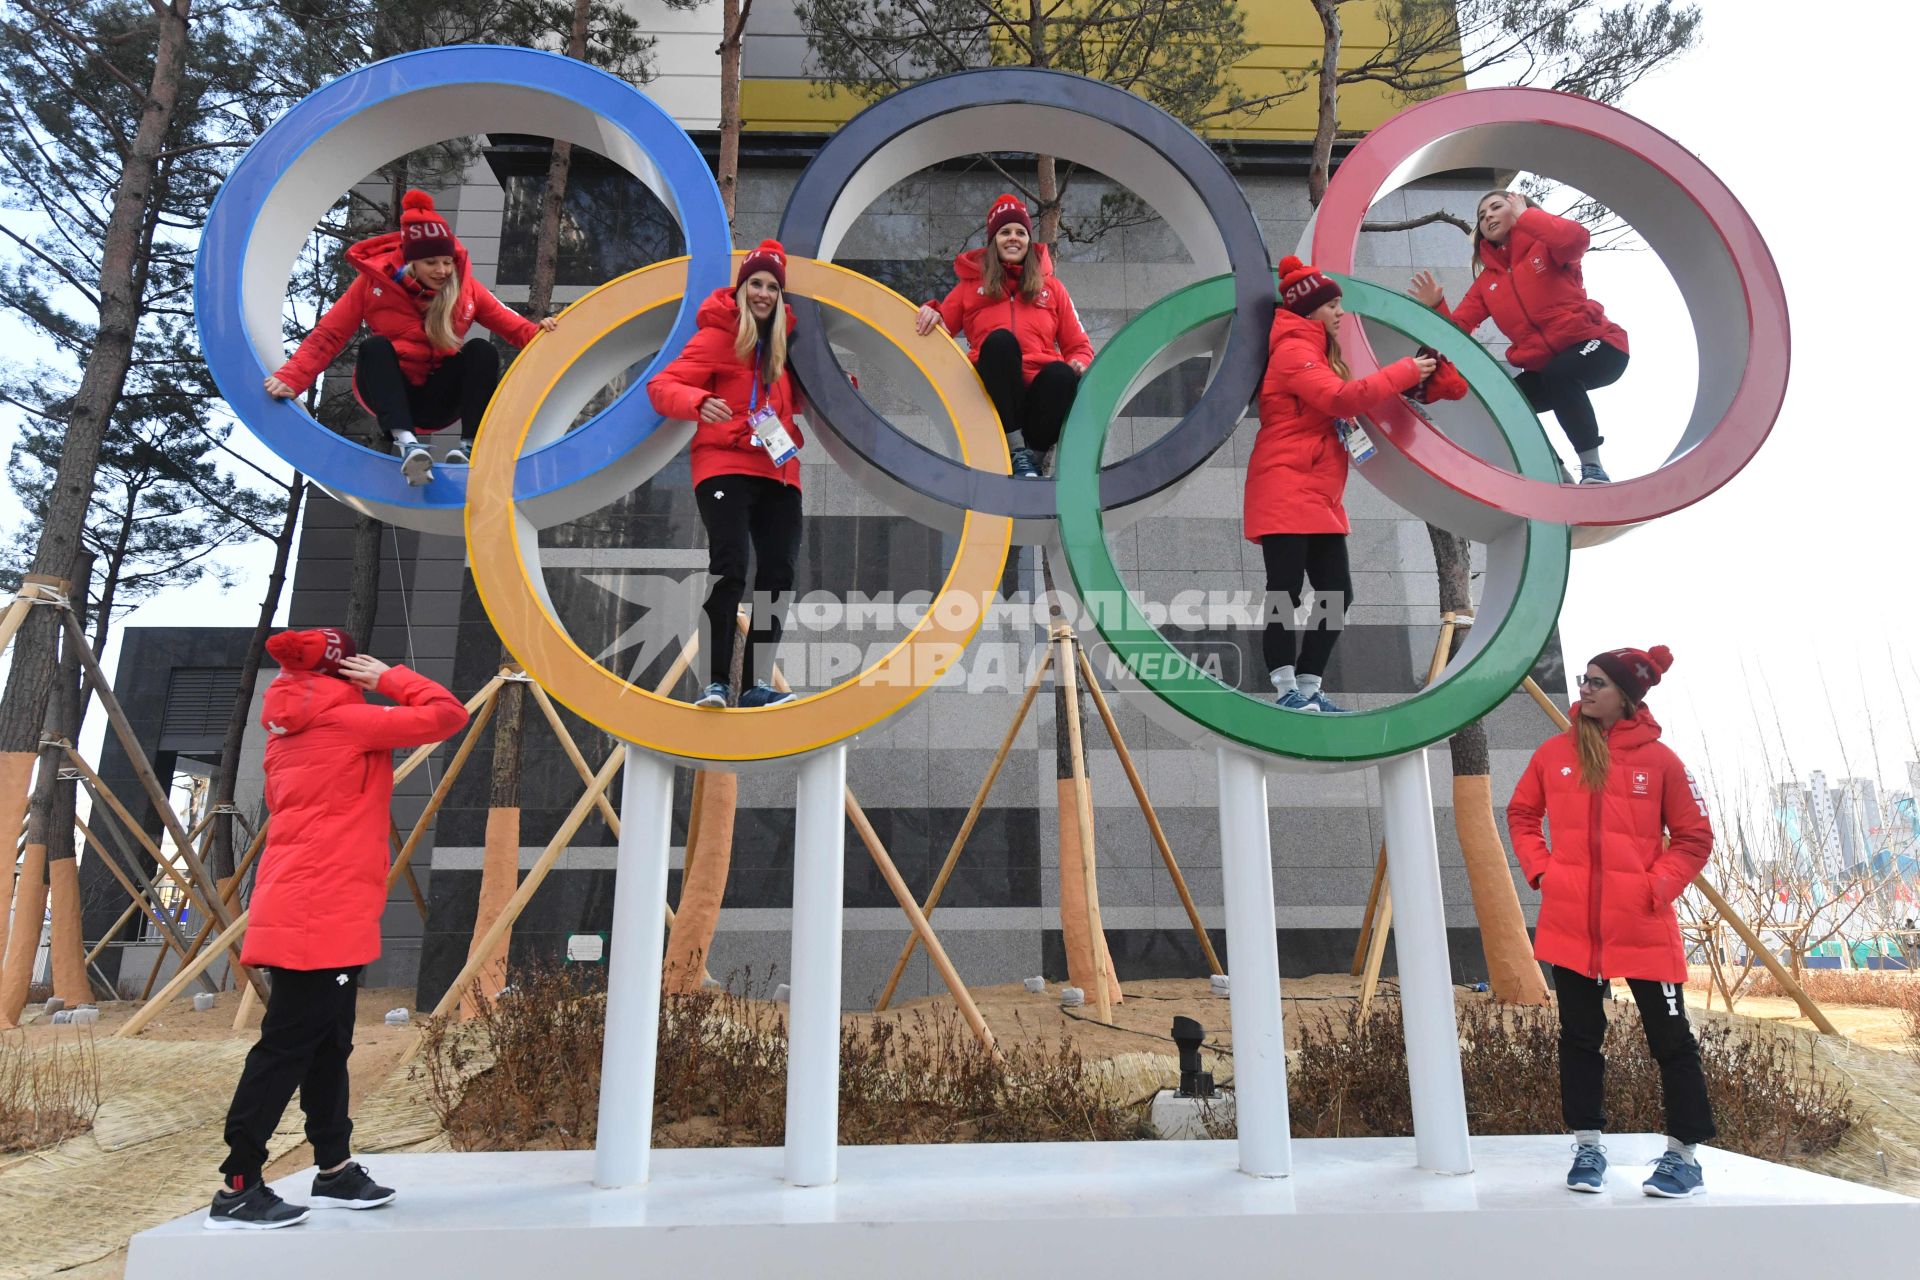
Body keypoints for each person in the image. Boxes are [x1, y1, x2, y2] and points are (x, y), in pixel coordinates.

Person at [208, 628, 469, 1230]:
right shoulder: (351, 722)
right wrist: (390, 680)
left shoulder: (285, 733)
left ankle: (333, 1167)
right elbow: (446, 714)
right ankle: (239, 1184)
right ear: (344, 669)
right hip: (320, 913)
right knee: (288, 1047)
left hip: (308, 906)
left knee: (328, 1044)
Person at [1507, 644, 1717, 1198]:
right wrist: (1545, 873)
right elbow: (1523, 814)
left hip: (1644, 925)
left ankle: (1684, 1158)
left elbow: (1696, 839)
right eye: (1584, 678)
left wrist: (1656, 887)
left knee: (1671, 1041)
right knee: (1579, 1037)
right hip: (1571, 926)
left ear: (1626, 694)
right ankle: (1587, 1148)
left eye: (1598, 681)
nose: (1586, 688)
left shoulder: (1663, 762)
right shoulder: (1554, 754)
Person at [263, 190, 559, 486]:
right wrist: (292, 377)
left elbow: (517, 329)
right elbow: (329, 334)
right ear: (411, 262)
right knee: (374, 346)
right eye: (432, 263)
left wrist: (542, 331)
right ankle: (408, 445)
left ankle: (470, 447)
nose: (442, 271)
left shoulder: (466, 290)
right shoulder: (373, 285)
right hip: (390, 392)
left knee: (481, 349)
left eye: (447, 261)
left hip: (437, 400)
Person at [1247, 256, 1433, 714]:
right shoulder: (1293, 350)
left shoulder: (1318, 353)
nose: (1339, 312)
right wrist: (1407, 370)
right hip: (1284, 486)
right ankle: (1284, 685)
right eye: (1333, 304)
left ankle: (1309, 685)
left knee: (1337, 593)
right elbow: (1339, 399)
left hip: (1320, 494)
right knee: (1285, 589)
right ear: (1310, 309)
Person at [648, 240, 808, 710]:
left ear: (781, 297)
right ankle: (717, 683)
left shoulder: (784, 346)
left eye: (772, 287)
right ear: (741, 289)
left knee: (778, 575)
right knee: (730, 568)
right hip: (725, 469)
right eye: (755, 284)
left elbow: (797, 401)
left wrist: (843, 391)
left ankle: (756, 686)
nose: (763, 293)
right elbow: (662, 387)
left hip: (780, 475)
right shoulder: (718, 336)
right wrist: (698, 402)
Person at [1408, 190, 1629, 484]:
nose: (1487, 216)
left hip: (1600, 346)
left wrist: (1528, 217)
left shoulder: (1547, 248)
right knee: (1507, 403)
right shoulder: (1488, 282)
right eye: (1481, 215)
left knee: (1559, 373)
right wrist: (1436, 305)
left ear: (1518, 207)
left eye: (1496, 207)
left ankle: (1593, 468)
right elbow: (1456, 334)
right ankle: (1556, 474)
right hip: (1548, 369)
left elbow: (1576, 239)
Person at [914, 194, 1094, 479]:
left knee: (1061, 373)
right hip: (994, 397)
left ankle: (1031, 460)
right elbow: (940, 329)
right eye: (1005, 232)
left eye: (1020, 232)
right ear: (993, 241)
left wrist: (1080, 363)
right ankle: (1015, 449)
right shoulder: (970, 288)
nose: (1013, 238)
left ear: (1029, 240)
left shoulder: (1053, 289)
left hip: (1039, 400)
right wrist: (930, 312)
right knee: (999, 342)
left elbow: (1080, 346)